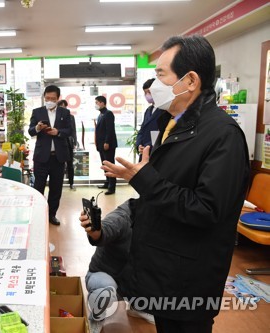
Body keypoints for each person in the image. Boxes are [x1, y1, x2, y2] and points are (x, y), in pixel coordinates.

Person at [102, 35, 250, 332]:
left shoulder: (223, 135)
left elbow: (206, 209)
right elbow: (168, 184)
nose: (154, 84)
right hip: (165, 267)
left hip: (190, 278)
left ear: (190, 80)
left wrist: (143, 178)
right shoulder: (171, 122)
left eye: (160, 74)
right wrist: (141, 176)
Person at [80, 200, 154, 324]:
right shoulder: (123, 216)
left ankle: (139, 307)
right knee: (106, 290)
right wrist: (96, 232)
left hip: (134, 280)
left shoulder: (163, 222)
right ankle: (95, 321)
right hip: (106, 274)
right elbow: (105, 229)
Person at [28, 85, 71, 226]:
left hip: (58, 157)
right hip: (41, 157)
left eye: (53, 98)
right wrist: (38, 128)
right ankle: (38, 214)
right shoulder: (37, 112)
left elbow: (69, 131)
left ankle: (52, 215)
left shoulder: (65, 113)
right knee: (39, 186)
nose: (50, 100)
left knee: (56, 188)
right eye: (47, 98)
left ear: (58, 98)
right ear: (44, 97)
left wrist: (57, 132)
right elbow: (30, 131)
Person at [94, 96, 117, 194]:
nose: (96, 104)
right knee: (104, 165)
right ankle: (107, 182)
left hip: (108, 145)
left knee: (110, 165)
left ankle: (112, 187)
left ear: (102, 103)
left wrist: (107, 142)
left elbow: (109, 129)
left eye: (97, 102)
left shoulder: (108, 114)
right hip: (101, 145)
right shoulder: (100, 115)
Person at [135, 78, 162, 161]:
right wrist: (139, 144)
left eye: (149, 92)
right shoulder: (148, 110)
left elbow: (162, 132)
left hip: (155, 151)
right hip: (144, 151)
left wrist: (148, 146)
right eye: (145, 92)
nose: (147, 95)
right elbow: (142, 129)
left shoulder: (164, 110)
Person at [57, 99, 77, 190]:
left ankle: (71, 183)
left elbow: (73, 130)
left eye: (65, 106)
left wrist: (75, 142)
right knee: (59, 164)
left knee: (70, 164)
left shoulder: (71, 117)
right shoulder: (56, 117)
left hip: (69, 142)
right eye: (61, 106)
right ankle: (58, 183)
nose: (63, 108)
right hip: (59, 143)